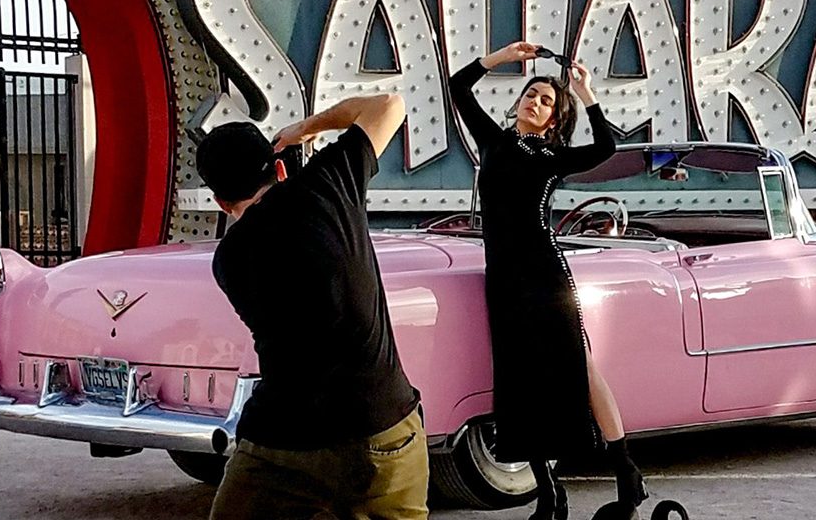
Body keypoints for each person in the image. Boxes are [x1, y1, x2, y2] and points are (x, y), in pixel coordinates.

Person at [196, 94, 428, 520]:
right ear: (280, 169)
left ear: (220, 202)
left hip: (281, 440)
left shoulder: (227, 261)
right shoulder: (328, 183)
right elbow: (390, 105)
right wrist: (305, 129)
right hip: (380, 425)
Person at [449, 42, 648, 519]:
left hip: (544, 274)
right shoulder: (495, 141)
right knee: (519, 380)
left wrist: (585, 91)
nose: (534, 102)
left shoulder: (550, 156)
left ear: (554, 119)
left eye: (545, 102)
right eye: (530, 94)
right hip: (504, 276)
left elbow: (605, 148)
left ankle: (626, 472)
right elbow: (458, 86)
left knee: (580, 365)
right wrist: (501, 57)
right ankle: (548, 491)